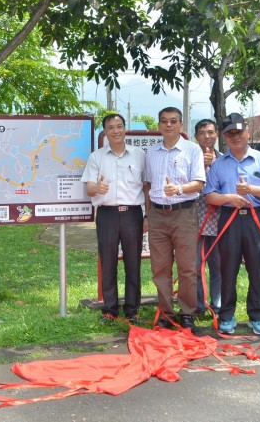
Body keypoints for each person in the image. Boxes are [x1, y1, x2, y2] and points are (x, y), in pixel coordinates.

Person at [204, 113, 260, 335]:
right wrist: (229, 198)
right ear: (224, 137)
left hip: (256, 219)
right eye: (230, 134)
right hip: (229, 219)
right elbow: (209, 196)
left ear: (247, 132)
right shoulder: (218, 165)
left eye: (239, 132)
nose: (235, 137)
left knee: (257, 268)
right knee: (228, 268)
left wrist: (251, 190)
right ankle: (227, 315)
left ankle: (257, 316)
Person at [81, 113, 147, 324]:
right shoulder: (96, 157)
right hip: (107, 214)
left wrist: (148, 216)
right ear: (105, 132)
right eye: (111, 127)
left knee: (133, 262)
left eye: (119, 126)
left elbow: (147, 186)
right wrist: (96, 188)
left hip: (133, 214)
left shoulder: (139, 155)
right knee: (108, 262)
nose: (116, 131)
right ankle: (110, 310)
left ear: (125, 129)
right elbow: (89, 188)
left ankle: (132, 309)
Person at [144, 107, 205, 330]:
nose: (168, 125)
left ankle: (187, 312)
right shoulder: (151, 153)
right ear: (159, 125)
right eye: (164, 121)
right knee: (160, 268)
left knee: (187, 267)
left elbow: (199, 184)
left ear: (181, 125)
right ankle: (166, 313)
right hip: (158, 215)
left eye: (173, 121)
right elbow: (148, 185)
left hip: (184, 213)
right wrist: (147, 215)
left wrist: (178, 189)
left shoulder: (192, 150)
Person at [193, 119, 222, 316]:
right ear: (196, 136)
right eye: (202, 132)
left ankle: (218, 304)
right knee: (195, 265)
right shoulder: (189, 158)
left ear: (217, 135)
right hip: (194, 221)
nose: (207, 136)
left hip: (220, 221)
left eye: (211, 132)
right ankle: (198, 304)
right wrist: (201, 167)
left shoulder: (225, 160)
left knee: (218, 265)